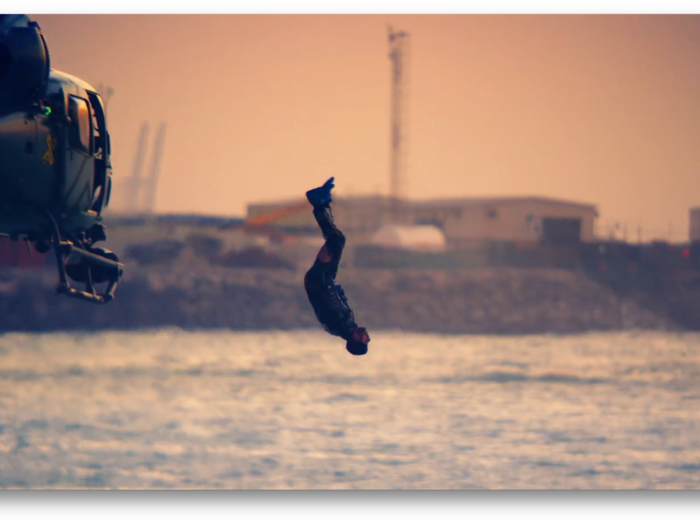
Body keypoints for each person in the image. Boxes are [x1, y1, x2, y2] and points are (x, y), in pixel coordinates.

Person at [303, 177, 370, 355]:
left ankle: (319, 202)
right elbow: (336, 298)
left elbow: (327, 301)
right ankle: (322, 203)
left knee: (336, 240)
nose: (368, 337)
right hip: (324, 279)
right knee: (336, 241)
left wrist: (324, 274)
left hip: (320, 280)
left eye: (366, 341)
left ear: (356, 340)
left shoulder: (341, 325)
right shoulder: (346, 325)